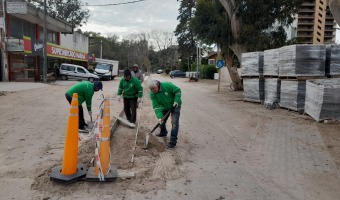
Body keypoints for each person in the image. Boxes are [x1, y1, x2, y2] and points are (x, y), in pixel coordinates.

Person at [147, 79, 182, 149]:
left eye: (153, 88)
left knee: (174, 123)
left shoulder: (167, 85)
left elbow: (178, 91)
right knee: (161, 121)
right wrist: (159, 117)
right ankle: (163, 132)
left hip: (175, 105)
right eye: (151, 89)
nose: (153, 90)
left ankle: (172, 143)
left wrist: (176, 100)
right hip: (164, 107)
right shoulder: (152, 93)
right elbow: (156, 106)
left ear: (157, 85)